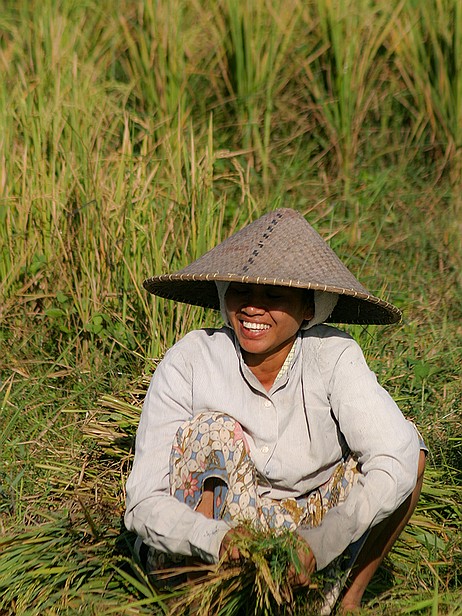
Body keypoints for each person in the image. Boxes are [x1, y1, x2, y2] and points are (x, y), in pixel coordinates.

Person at [124, 208, 426, 614]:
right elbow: (143, 501)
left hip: (306, 530)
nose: (252, 308)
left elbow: (396, 457)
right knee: (211, 430)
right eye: (241, 291)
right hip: (212, 537)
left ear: (308, 308)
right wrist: (216, 539)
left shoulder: (334, 356)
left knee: (409, 449)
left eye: (274, 296)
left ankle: (347, 601)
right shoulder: (190, 361)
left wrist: (319, 544)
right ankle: (199, 593)